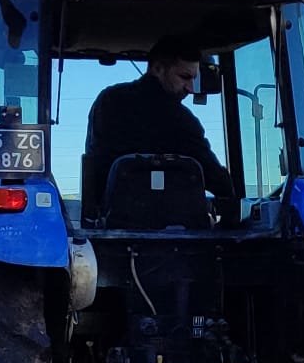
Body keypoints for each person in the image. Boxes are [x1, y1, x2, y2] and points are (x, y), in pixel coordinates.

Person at [83, 36, 237, 223]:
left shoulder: (106, 100)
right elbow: (216, 178)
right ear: (157, 69)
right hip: (174, 229)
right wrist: (231, 198)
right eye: (185, 77)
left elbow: (95, 161)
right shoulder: (182, 121)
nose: (189, 88)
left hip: (111, 222)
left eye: (194, 80)